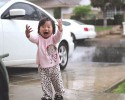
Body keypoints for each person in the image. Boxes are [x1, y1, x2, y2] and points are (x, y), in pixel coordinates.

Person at [25, 17, 65, 100]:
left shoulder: (53, 38)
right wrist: (28, 34)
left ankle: (59, 93)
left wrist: (60, 29)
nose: (45, 28)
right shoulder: (38, 38)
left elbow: (58, 36)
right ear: (39, 29)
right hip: (42, 66)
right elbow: (32, 39)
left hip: (54, 65)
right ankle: (47, 95)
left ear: (53, 29)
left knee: (57, 80)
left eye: (48, 27)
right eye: (43, 26)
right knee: (45, 82)